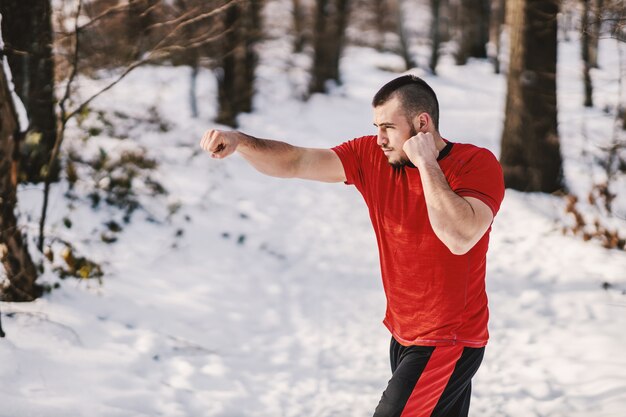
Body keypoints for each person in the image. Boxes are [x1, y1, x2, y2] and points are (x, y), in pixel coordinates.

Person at [200, 75, 505, 417]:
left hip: (448, 339)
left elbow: (459, 236)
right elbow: (296, 161)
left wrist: (426, 163)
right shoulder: (370, 156)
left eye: (388, 127)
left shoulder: (475, 164)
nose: (380, 139)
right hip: (404, 334)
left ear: (422, 124)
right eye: (376, 126)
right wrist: (241, 142)